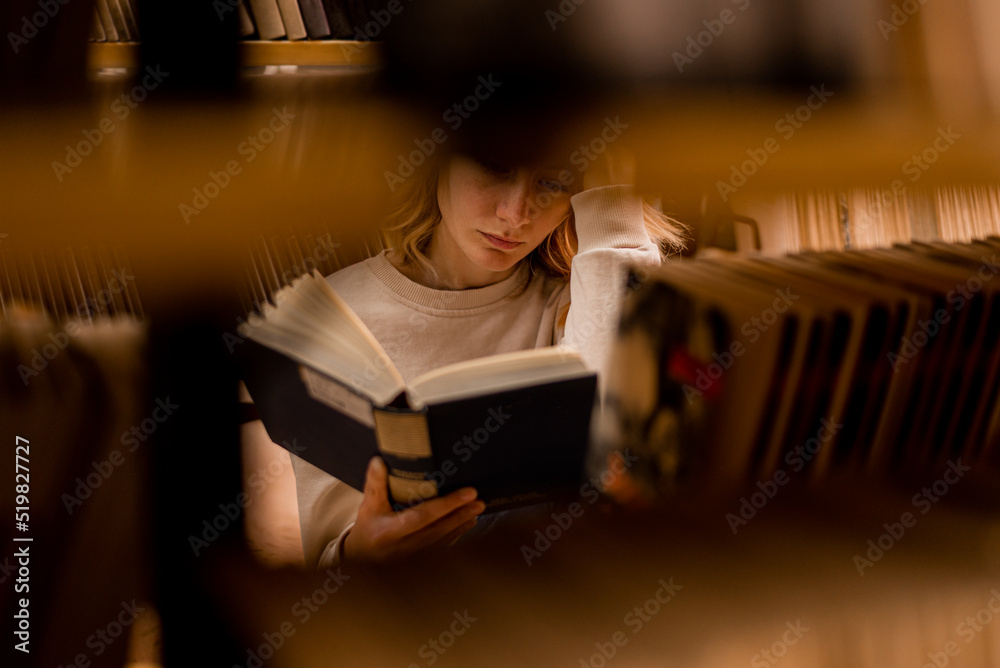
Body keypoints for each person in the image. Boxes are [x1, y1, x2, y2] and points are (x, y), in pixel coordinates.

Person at [248, 146, 685, 568]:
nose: (515, 215)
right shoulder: (332, 320)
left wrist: (613, 204)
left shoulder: (579, 299)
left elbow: (628, 422)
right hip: (410, 609)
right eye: (493, 165)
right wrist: (359, 553)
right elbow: (323, 567)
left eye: (554, 180)